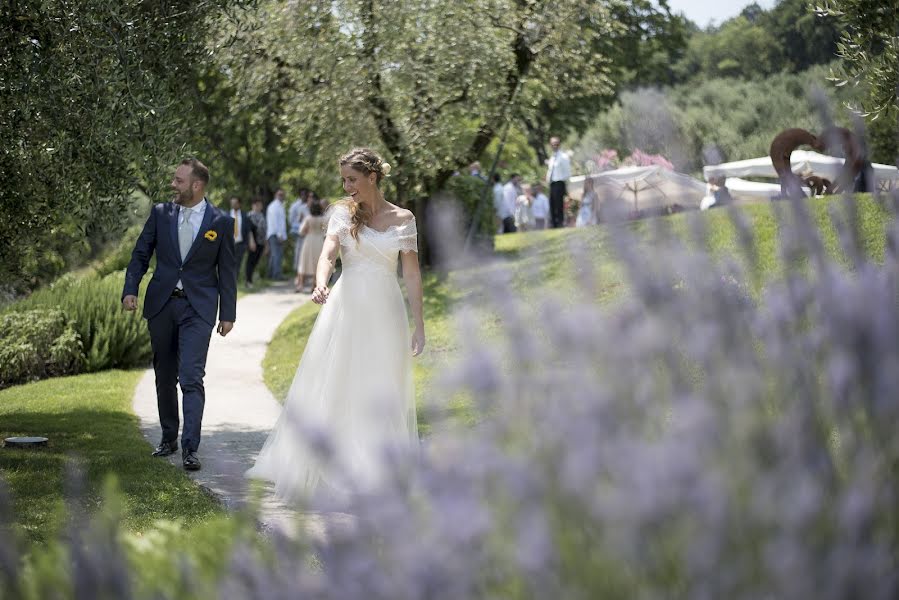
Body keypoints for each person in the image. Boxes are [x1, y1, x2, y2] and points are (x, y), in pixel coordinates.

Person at [247, 148, 424, 501]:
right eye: (344, 179)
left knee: (381, 384)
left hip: (386, 310)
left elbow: (412, 273)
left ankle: (378, 467)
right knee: (339, 379)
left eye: (352, 179)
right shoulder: (343, 214)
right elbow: (328, 253)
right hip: (347, 305)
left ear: (372, 177)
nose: (347, 186)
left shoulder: (403, 218)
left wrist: (419, 323)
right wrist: (321, 280)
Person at [121, 158, 236, 472]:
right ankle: (168, 437)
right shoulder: (161, 214)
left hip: (198, 309)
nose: (173, 184)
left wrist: (228, 313)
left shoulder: (220, 221)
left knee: (191, 377)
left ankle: (190, 448)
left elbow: (227, 270)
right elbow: (141, 253)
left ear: (196, 185)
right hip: (162, 305)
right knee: (164, 375)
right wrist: (130, 288)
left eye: (179, 180)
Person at [295, 197, 328, 293]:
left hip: (309, 240)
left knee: (304, 261)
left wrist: (307, 231)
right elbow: (326, 232)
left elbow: (301, 231)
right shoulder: (323, 219)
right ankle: (314, 285)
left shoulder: (308, 218)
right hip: (319, 241)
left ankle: (300, 285)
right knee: (317, 262)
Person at [546, 136, 571, 228]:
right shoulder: (552, 157)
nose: (554, 146)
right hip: (552, 184)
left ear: (559, 145)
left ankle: (560, 222)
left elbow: (567, 172)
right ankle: (554, 223)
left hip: (559, 183)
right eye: (552, 144)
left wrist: (565, 183)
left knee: (559, 204)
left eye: (556, 144)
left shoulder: (563, 156)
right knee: (552, 204)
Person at [229, 196, 256, 280]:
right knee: (229, 262)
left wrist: (251, 241)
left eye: (235, 203)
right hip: (229, 243)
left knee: (238, 262)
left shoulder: (245, 216)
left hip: (241, 243)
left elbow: (249, 230)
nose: (233, 205)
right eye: (232, 203)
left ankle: (234, 280)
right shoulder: (226, 215)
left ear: (239, 204)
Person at [266, 189, 288, 280]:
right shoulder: (274, 206)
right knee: (277, 255)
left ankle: (271, 274)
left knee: (274, 255)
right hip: (275, 234)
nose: (281, 196)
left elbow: (281, 222)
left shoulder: (279, 206)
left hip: (276, 234)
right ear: (275, 195)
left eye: (282, 194)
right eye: (279, 194)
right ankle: (276, 275)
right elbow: (275, 222)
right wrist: (279, 235)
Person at [245, 197, 267, 287]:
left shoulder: (262, 215)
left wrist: (266, 243)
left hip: (261, 242)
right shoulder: (249, 215)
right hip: (253, 242)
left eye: (260, 205)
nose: (259, 207)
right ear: (253, 205)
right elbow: (249, 230)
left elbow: (265, 230)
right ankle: (248, 281)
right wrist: (251, 241)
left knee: (256, 261)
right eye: (257, 205)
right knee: (250, 261)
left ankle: (252, 279)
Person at [289, 189, 310, 272]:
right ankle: (297, 269)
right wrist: (300, 226)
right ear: (300, 195)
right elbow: (291, 220)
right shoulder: (295, 206)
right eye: (302, 195)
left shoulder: (309, 205)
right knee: (299, 250)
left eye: (305, 195)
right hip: (299, 232)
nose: (304, 197)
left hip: (309, 232)